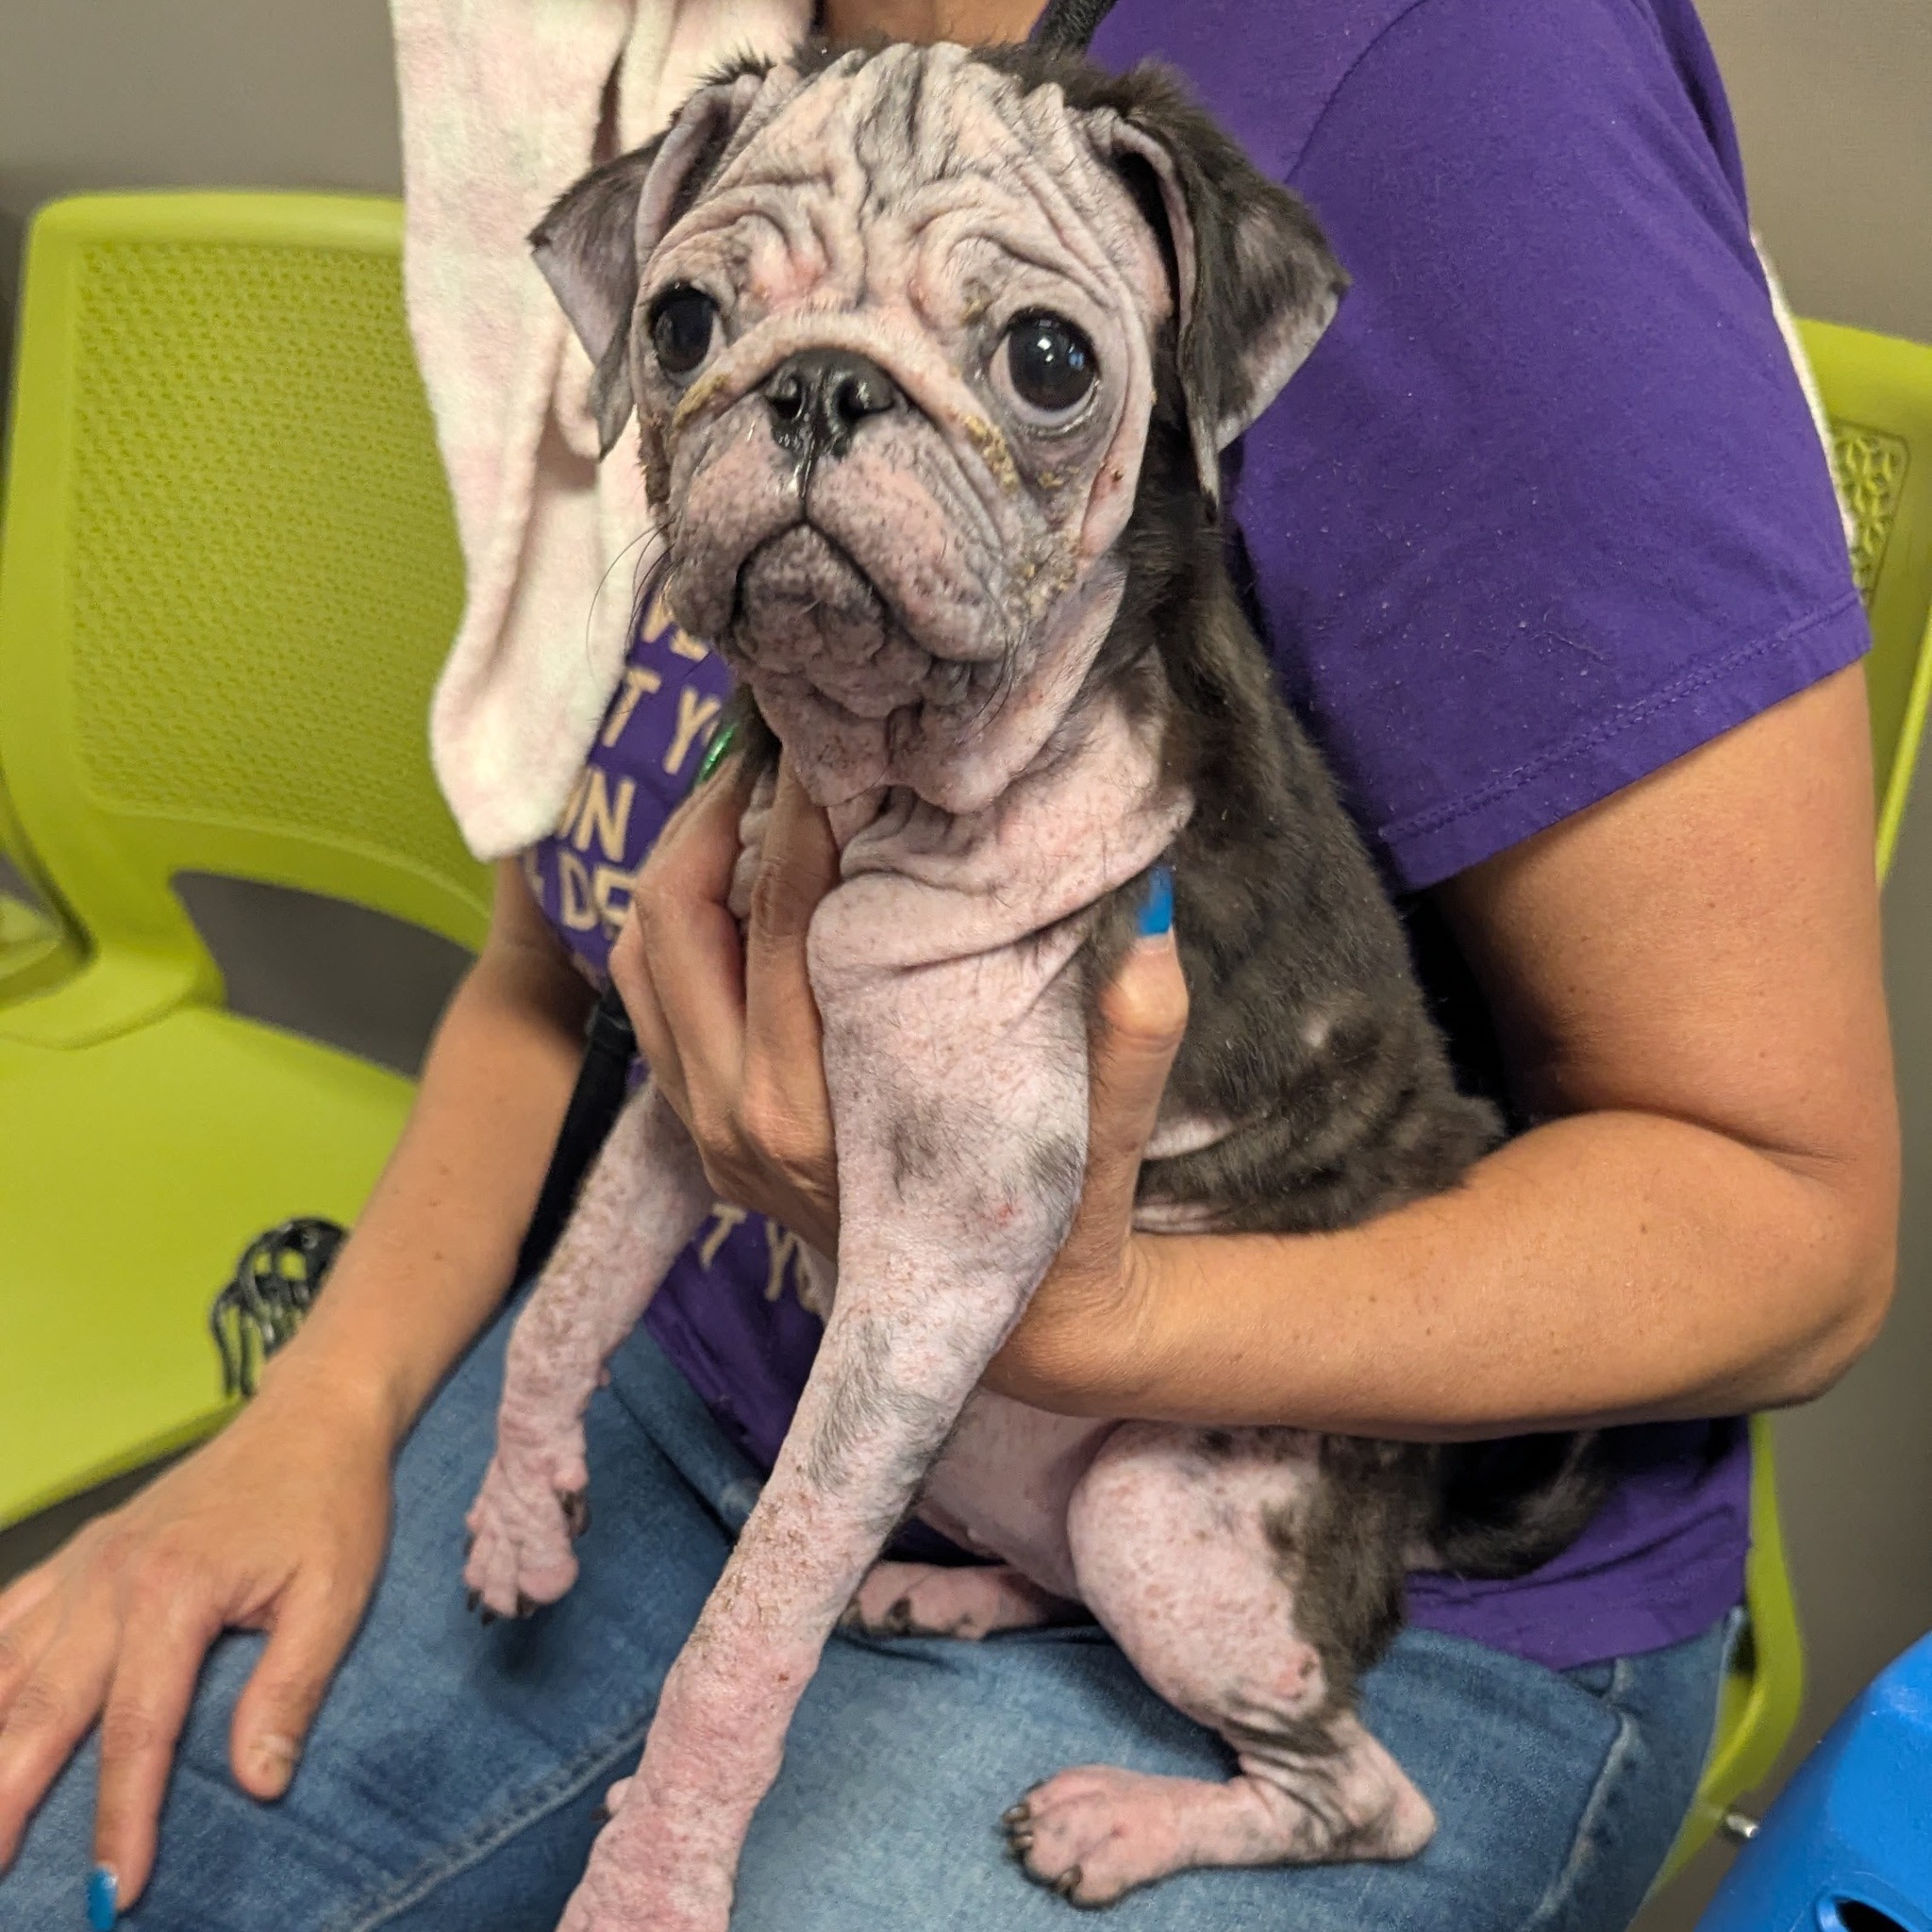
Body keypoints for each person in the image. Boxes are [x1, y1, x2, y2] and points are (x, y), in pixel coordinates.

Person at [0, 0, 1897, 1925]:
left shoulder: (1448, 74)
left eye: (1043, 361)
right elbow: (570, 963)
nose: (809, 403)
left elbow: (1791, 1217)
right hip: (747, 1377)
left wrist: (1101, 1327)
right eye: (694, 329)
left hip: (1336, 1533)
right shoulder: (660, 61)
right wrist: (318, 1417)